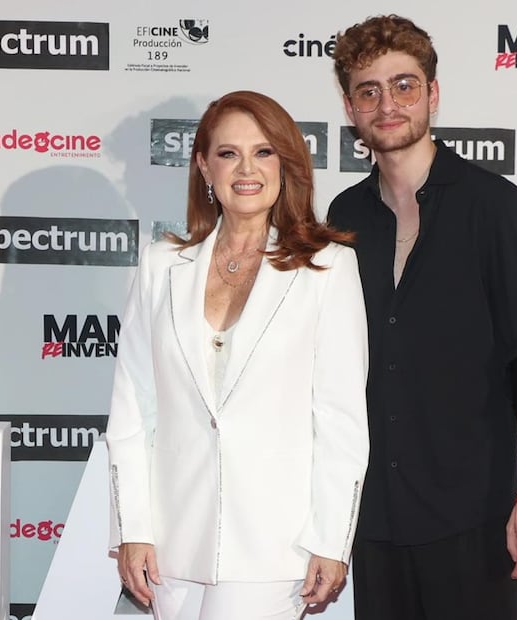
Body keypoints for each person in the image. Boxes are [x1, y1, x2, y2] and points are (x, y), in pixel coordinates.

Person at [328, 15, 517, 620]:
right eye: (369, 91)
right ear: (350, 107)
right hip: (374, 517)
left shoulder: (491, 204)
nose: (387, 105)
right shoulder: (344, 217)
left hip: (472, 515)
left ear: (432, 93)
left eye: (403, 86)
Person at [106, 90, 370, 620]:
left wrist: (331, 540)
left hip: (274, 543)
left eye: (263, 152)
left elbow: (340, 418)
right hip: (173, 541)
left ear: (286, 165)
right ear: (205, 166)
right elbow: (133, 407)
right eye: (229, 153)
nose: (247, 169)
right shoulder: (161, 265)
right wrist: (132, 527)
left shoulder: (327, 268)